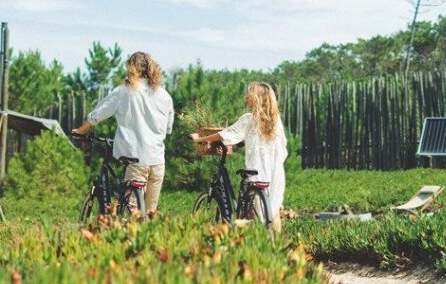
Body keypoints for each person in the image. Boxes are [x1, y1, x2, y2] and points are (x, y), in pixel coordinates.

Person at [72, 51, 174, 216]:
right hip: (157, 161)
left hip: (137, 160)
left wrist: (80, 131)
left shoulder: (124, 91)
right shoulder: (164, 95)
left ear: (131, 68)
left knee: (131, 213)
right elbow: (168, 128)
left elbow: (98, 114)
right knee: (149, 214)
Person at [190, 82, 287, 233]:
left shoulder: (249, 119)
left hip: (257, 172)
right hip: (276, 174)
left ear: (256, 98)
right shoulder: (276, 121)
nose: (246, 97)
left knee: (248, 210)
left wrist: (199, 139)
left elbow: (225, 134)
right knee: (273, 212)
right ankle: (275, 247)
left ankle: (246, 243)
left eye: (249, 94)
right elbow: (282, 148)